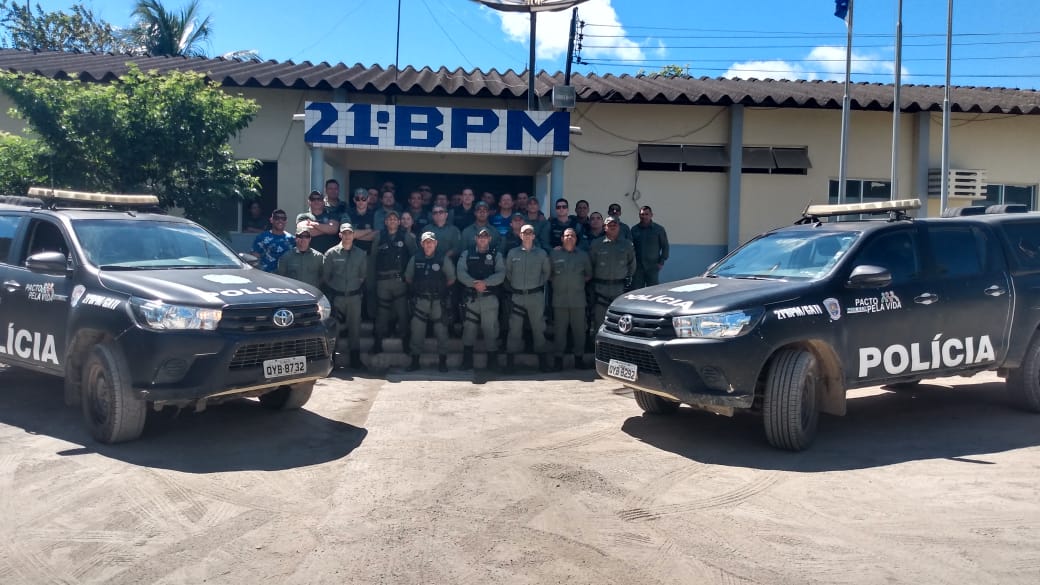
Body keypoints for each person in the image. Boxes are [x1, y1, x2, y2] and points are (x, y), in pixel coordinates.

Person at [404, 231, 455, 372]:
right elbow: (408, 278)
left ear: (436, 243)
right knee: (417, 331)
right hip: (420, 300)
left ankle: (442, 362)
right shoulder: (415, 258)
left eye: (431, 241)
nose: (428, 244)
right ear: (421, 244)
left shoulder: (442, 259)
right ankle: (415, 361)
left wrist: (440, 289)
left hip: (439, 301)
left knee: (441, 331)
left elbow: (451, 278)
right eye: (426, 242)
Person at [504, 224, 551, 372]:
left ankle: (542, 362)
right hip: (517, 296)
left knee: (538, 328)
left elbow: (546, 273)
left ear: (534, 236)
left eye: (530, 232)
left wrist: (535, 285)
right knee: (514, 329)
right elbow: (508, 273)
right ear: (520, 235)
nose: (527, 235)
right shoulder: (512, 253)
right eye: (525, 232)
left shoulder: (541, 254)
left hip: (535, 296)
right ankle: (510, 363)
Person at [457, 227, 505, 371]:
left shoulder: (496, 254)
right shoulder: (467, 253)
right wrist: (474, 284)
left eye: (485, 236)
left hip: (489, 297)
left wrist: (486, 283)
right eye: (480, 236)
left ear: (489, 239)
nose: (482, 239)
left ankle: (492, 362)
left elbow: (501, 273)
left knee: (491, 329)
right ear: (475, 239)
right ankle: (467, 361)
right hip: (471, 298)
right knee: (469, 329)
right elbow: (460, 272)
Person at [369, 210, 417, 353]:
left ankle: (406, 341)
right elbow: (373, 259)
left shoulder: (407, 237)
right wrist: (371, 282)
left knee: (403, 313)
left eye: (394, 219)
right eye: (389, 219)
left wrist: (411, 279)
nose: (392, 221)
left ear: (399, 222)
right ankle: (378, 342)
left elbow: (414, 258)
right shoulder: (379, 237)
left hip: (400, 281)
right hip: (382, 281)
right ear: (385, 222)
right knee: (382, 313)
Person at [323, 223, 368, 370]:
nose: (347, 236)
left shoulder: (361, 254)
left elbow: (362, 276)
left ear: (353, 234)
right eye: (344, 233)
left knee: (355, 328)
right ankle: (332, 361)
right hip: (337, 297)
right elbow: (326, 277)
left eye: (350, 233)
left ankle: (355, 360)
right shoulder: (331, 253)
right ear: (340, 235)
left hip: (354, 298)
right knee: (334, 329)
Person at [550, 227, 593, 370]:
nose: (569, 238)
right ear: (562, 238)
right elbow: (549, 275)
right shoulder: (554, 255)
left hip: (578, 300)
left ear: (576, 239)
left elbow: (588, 275)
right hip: (559, 300)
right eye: (566, 235)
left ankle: (579, 359)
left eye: (572, 235)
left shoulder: (583, 255)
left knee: (579, 331)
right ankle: (558, 360)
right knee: (559, 331)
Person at [589, 216, 636, 330]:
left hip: (619, 290)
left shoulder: (627, 245)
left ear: (619, 227)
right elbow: (590, 264)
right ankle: (597, 347)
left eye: (615, 225)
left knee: (619, 323)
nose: (612, 227)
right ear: (605, 227)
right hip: (600, 290)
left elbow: (632, 266)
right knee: (599, 323)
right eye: (609, 225)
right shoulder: (596, 244)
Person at [630, 205, 670, 288]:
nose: (644, 216)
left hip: (653, 266)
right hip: (638, 267)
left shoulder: (659, 229)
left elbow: (665, 246)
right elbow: (630, 248)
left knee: (652, 290)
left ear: (651, 215)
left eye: (646, 214)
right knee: (637, 291)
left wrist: (661, 262)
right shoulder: (634, 229)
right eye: (642, 214)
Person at [276, 222, 324, 288]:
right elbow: (281, 278)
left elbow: (324, 277)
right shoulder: (286, 257)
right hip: (294, 294)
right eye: (300, 236)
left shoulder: (319, 257)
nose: (303, 239)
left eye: (306, 237)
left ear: (310, 239)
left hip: (311, 294)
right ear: (296, 238)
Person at [346, 187, 377, 253]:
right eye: (358, 199)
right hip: (351, 253)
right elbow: (346, 234)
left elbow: (376, 235)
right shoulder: (347, 214)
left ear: (368, 199)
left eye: (363, 199)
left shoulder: (374, 214)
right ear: (354, 200)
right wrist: (369, 230)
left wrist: (355, 236)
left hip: (369, 253)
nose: (361, 201)